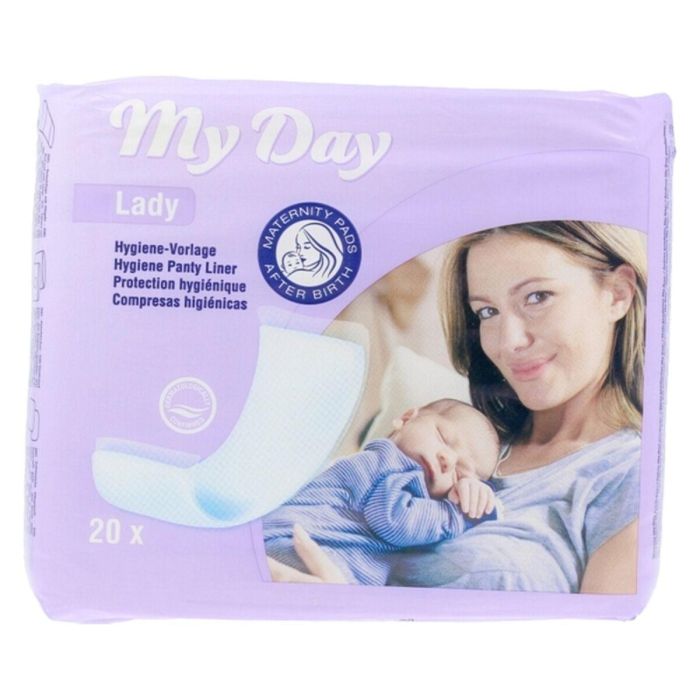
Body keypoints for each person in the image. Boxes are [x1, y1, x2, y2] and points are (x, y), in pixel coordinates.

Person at [268, 221, 646, 594]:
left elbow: (602, 636)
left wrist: (347, 613)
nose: (508, 341)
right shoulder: (452, 432)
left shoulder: (626, 477)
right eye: (487, 312)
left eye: (537, 297)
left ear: (617, 293)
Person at [264, 399, 501, 585]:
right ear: (406, 418)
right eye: (443, 437)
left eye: (459, 474)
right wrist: (461, 513)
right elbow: (395, 521)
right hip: (291, 544)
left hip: (316, 561)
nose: (447, 459)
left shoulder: (415, 496)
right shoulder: (385, 463)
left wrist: (471, 496)